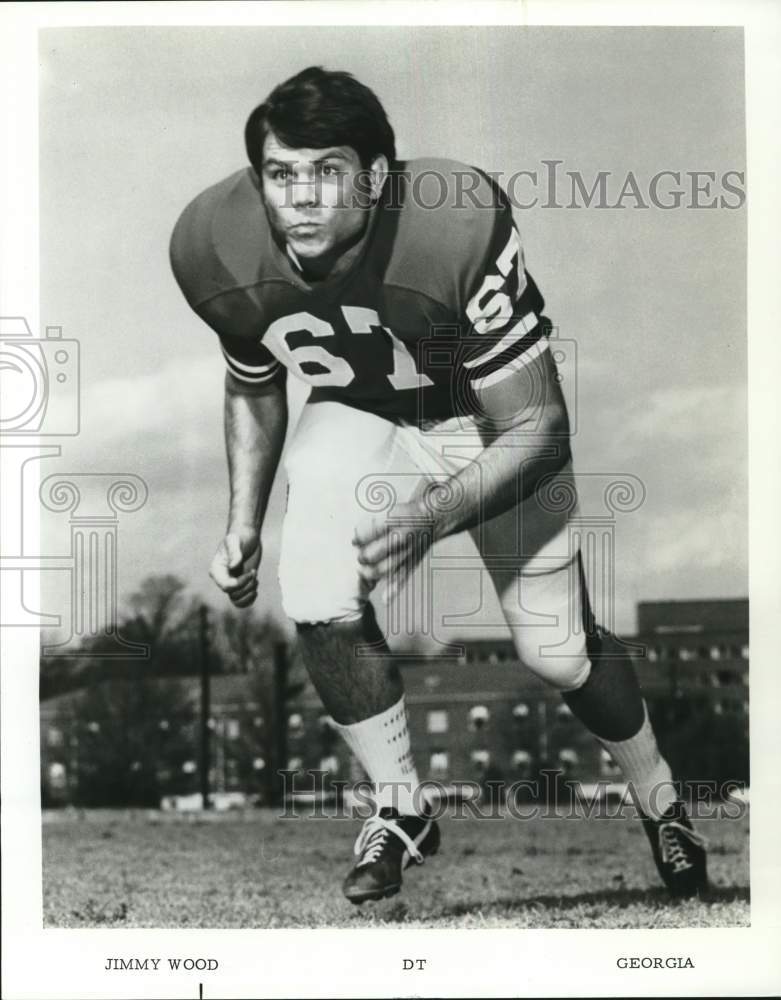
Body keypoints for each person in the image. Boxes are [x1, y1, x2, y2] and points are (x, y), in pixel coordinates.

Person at [170, 66, 707, 905]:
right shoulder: (212, 242)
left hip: (487, 424)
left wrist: (429, 515)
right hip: (367, 406)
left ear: (377, 176)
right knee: (311, 579)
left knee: (555, 649)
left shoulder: (448, 223)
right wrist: (241, 519)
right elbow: (252, 379)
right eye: (281, 174)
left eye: (326, 171)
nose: (300, 199)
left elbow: (538, 426)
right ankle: (400, 807)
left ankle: (661, 800)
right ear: (255, 180)